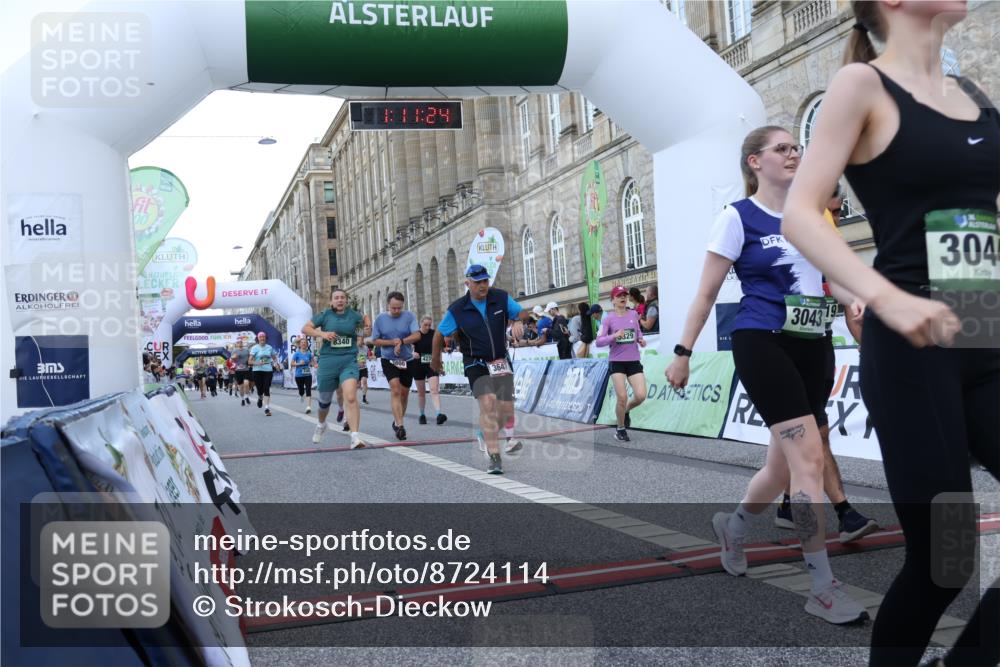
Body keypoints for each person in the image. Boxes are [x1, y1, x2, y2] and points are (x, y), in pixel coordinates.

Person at [782, 2, 999, 662]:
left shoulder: (971, 93)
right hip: (914, 350)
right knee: (946, 561)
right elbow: (800, 213)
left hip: (986, 333)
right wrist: (884, 297)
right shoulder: (861, 85)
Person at [665, 125, 867, 625]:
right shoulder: (738, 217)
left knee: (781, 467)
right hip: (762, 341)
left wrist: (855, 298)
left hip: (814, 341)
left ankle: (732, 528)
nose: (793, 154)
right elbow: (706, 293)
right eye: (782, 148)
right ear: (755, 162)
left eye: (796, 147)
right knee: (808, 458)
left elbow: (832, 277)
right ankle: (821, 586)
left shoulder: (813, 212)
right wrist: (682, 351)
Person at [774, 183, 879, 543]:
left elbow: (848, 301)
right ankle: (844, 513)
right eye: (835, 209)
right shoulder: (787, 217)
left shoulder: (824, 228)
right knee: (815, 432)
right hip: (780, 343)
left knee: (796, 437)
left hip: (815, 341)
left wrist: (866, 347)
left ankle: (783, 505)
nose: (836, 217)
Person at [430, 264, 526, 474]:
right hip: (475, 362)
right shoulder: (458, 309)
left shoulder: (500, 297)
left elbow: (522, 312)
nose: (483, 285)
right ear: (468, 283)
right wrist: (435, 360)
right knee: (488, 403)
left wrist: (518, 320)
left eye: (485, 281)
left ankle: (484, 433)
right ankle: (494, 456)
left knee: (506, 410)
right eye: (477, 282)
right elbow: (439, 334)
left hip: (499, 360)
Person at [301, 288, 372, 449]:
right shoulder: (325, 315)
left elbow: (363, 331)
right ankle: (321, 424)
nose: (340, 300)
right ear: (332, 301)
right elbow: (305, 329)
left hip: (348, 360)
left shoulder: (353, 316)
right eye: (336, 298)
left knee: (351, 397)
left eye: (342, 298)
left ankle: (355, 437)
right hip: (328, 361)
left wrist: (367, 328)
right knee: (324, 401)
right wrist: (323, 334)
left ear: (346, 300)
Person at [595, 286, 648, 441]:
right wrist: (614, 336)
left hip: (633, 360)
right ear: (613, 300)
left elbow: (637, 331)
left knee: (641, 395)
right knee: (622, 396)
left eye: (625, 295)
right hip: (617, 362)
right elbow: (598, 342)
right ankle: (620, 429)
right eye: (619, 296)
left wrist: (641, 339)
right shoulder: (608, 319)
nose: (623, 298)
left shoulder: (633, 314)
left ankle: (624, 412)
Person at [370, 291, 421, 440]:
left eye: (399, 308)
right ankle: (400, 425)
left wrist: (402, 341)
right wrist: (392, 342)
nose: (397, 311)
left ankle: (397, 420)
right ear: (388, 305)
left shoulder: (409, 316)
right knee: (395, 389)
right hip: (389, 359)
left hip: (407, 359)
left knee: (404, 394)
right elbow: (375, 340)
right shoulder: (380, 319)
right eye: (394, 308)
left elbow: (417, 335)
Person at [412, 315, 448, 425]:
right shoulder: (416, 335)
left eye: (429, 325)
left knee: (434, 389)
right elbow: (410, 349)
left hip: (432, 365)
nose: (427, 327)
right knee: (421, 393)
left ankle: (438, 414)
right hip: (418, 365)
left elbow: (439, 350)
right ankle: (422, 415)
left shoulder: (435, 334)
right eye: (425, 325)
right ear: (420, 324)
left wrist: (440, 365)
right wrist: (413, 353)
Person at [249, 331, 278, 417]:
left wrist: (276, 364)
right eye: (260, 337)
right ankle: (260, 397)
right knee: (259, 389)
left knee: (266, 388)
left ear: (265, 338)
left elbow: (274, 357)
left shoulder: (269, 347)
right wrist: (257, 363)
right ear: (258, 339)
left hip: (268, 370)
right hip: (257, 370)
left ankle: (266, 408)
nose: (262, 338)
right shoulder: (254, 348)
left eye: (263, 337)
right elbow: (249, 361)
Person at [291, 337, 316, 414]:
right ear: (300, 345)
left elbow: (313, 362)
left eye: (305, 343)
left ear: (307, 344)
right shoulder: (296, 354)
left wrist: (314, 365)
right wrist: (299, 363)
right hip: (299, 375)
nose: (303, 344)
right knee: (301, 390)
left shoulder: (309, 353)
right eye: (302, 343)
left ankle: (308, 407)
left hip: (307, 374)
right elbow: (292, 364)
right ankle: (301, 395)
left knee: (308, 389)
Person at [231, 339, 252, 406]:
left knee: (246, 384)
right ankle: (242, 399)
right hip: (238, 370)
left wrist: (249, 362)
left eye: (241, 342)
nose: (240, 343)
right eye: (238, 342)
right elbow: (232, 360)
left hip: (246, 369)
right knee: (241, 387)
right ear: (236, 344)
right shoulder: (234, 351)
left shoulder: (246, 350)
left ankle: (246, 396)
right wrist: (234, 358)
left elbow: (250, 358)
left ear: (242, 343)